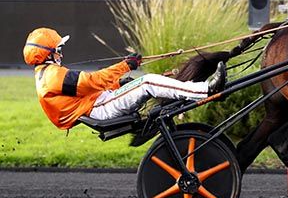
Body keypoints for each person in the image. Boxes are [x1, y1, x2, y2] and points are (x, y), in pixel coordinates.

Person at [23, 27, 225, 130]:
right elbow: (94, 81)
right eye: (58, 49)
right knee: (147, 82)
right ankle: (206, 89)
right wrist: (125, 66)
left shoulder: (46, 76)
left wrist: (120, 82)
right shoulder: (52, 76)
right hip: (100, 110)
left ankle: (192, 88)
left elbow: (87, 88)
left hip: (98, 104)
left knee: (147, 81)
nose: (61, 53)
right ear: (48, 54)